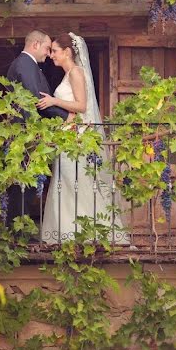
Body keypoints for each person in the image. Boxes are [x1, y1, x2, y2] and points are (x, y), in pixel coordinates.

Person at [37, 32, 129, 245]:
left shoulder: (76, 73)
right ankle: (67, 233)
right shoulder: (67, 74)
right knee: (67, 184)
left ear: (67, 52)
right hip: (69, 137)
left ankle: (86, 233)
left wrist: (53, 101)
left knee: (76, 183)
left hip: (77, 139)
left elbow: (82, 106)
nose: (52, 55)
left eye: (55, 51)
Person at [3, 30, 69, 224]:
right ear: (35, 45)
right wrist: (67, 117)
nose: (48, 54)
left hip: (28, 136)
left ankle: (17, 230)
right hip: (24, 135)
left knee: (26, 186)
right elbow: (37, 99)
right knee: (22, 187)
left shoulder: (28, 65)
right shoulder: (25, 64)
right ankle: (16, 231)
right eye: (47, 48)